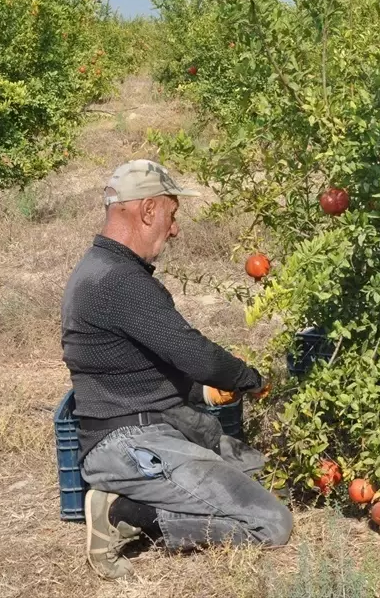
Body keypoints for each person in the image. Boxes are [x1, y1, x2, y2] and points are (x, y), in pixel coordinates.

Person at [61, 159, 293, 579]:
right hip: (130, 443)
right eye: (172, 214)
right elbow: (194, 355)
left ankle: (143, 504)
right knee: (271, 522)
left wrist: (202, 393)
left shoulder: (108, 270)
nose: (175, 229)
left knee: (269, 478)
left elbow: (143, 365)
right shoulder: (117, 279)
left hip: (152, 425)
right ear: (148, 210)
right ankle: (124, 513)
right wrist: (249, 379)